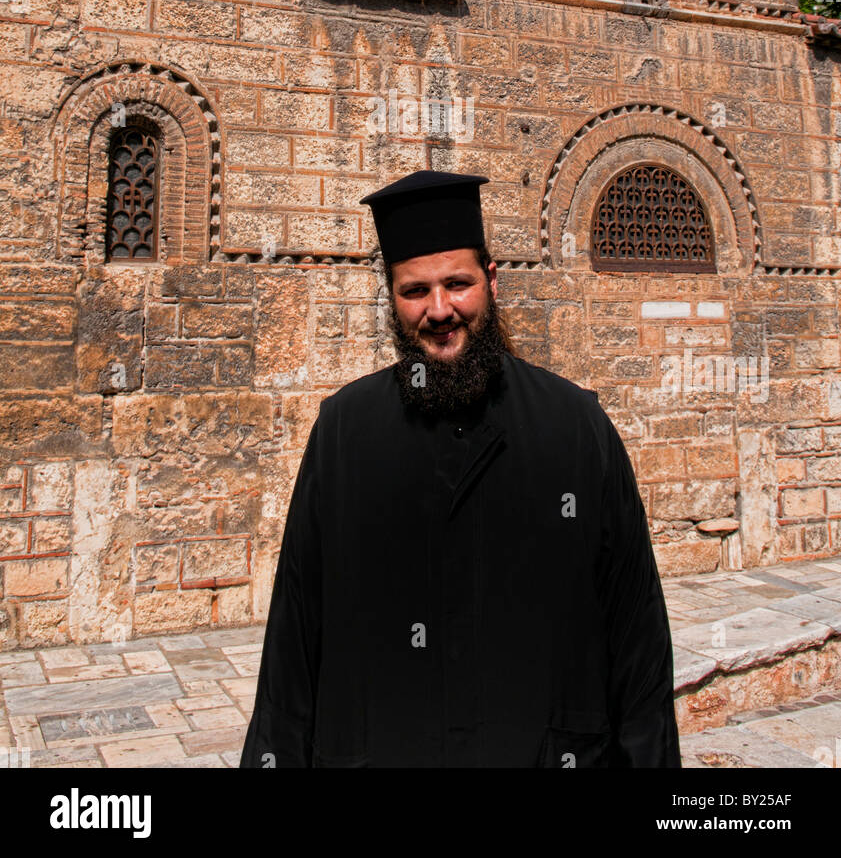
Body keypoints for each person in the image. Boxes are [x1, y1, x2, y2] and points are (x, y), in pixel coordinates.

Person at [240, 169, 681, 768]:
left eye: (458, 284)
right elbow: (295, 632)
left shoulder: (575, 426)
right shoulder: (343, 433)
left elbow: (636, 636)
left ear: (491, 282)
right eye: (415, 290)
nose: (440, 310)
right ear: (392, 298)